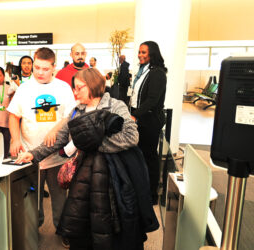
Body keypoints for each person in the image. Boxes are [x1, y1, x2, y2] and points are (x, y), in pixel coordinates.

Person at [16, 68, 140, 249]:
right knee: (83, 218)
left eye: (79, 88)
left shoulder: (115, 106)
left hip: (111, 177)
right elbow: (59, 139)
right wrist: (33, 154)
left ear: (93, 86)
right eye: (74, 88)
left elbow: (131, 137)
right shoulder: (76, 111)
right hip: (83, 175)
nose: (74, 92)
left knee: (108, 219)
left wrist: (91, 145)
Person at [7, 47, 76, 236]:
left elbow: (71, 116)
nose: (39, 72)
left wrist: (55, 129)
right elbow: (13, 116)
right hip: (30, 154)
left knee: (60, 199)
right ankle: (33, 231)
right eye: (36, 67)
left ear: (54, 67)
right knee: (31, 198)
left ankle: (63, 232)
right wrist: (14, 139)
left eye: (45, 69)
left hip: (57, 156)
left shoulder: (62, 88)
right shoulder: (25, 87)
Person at [130, 41, 167, 204]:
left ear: (152, 54)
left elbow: (152, 100)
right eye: (139, 52)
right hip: (139, 117)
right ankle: (140, 189)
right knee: (139, 156)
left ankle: (152, 194)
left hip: (149, 120)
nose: (140, 55)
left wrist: (135, 116)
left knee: (149, 156)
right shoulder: (142, 71)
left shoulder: (157, 73)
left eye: (144, 52)